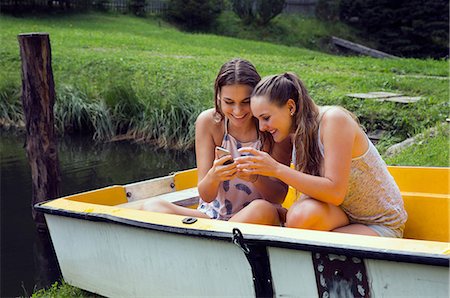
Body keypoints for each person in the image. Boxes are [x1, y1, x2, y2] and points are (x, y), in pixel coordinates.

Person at [235, 72, 407, 237]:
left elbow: (334, 193)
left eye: (265, 118)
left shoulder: (334, 120)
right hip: (339, 216)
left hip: (377, 225)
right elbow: (287, 196)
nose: (261, 127)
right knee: (265, 210)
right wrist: (256, 177)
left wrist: (276, 169)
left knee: (299, 216)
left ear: (290, 107)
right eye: (258, 120)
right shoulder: (294, 134)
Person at [142, 59, 291, 226]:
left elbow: (279, 197)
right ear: (218, 96)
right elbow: (206, 196)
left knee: (262, 209)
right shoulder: (208, 122)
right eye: (229, 102)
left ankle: (216, 242)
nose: (237, 111)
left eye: (245, 102)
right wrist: (214, 176)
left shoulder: (273, 128)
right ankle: (224, 239)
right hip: (212, 218)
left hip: (255, 219)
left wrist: (256, 178)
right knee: (151, 206)